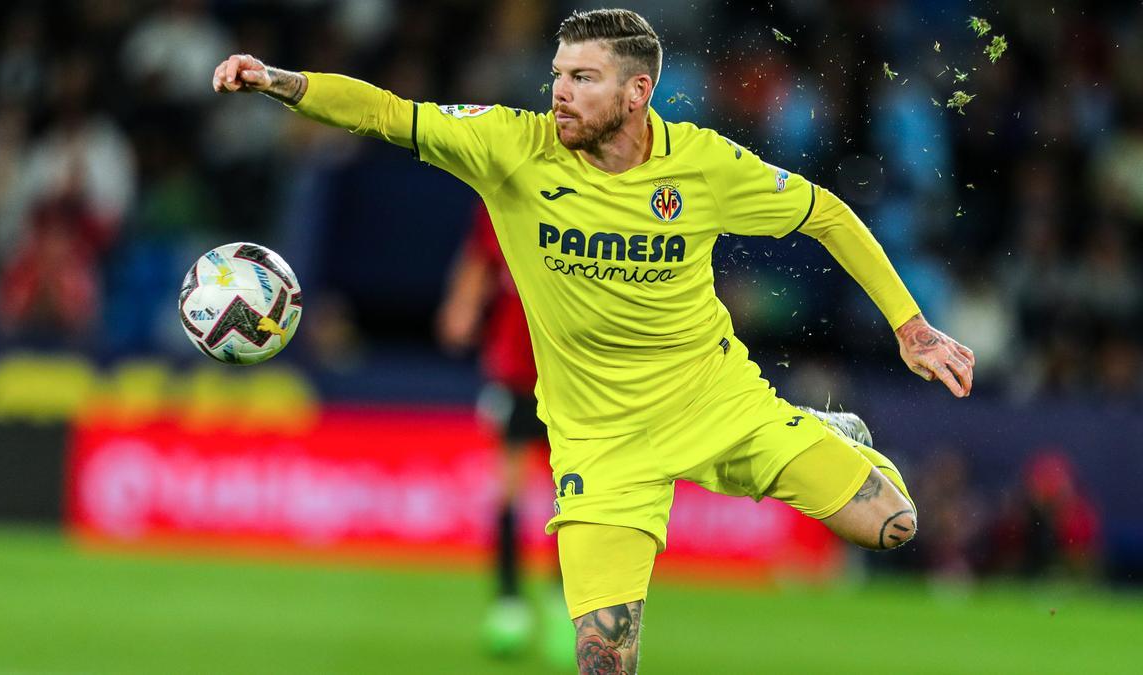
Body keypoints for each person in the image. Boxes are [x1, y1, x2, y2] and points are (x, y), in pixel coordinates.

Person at [212, 9, 975, 673]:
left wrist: (910, 327)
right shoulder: (511, 147)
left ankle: (814, 427)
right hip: (602, 450)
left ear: (636, 93)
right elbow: (384, 112)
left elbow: (828, 214)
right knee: (605, 665)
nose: (560, 92)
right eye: (558, 74)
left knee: (893, 524)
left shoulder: (702, 164)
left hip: (721, 403)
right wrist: (278, 79)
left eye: (582, 77)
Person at [437, 199, 571, 662]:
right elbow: (481, 257)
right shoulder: (506, 194)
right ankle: (509, 605)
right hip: (515, 368)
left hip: (575, 374)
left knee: (572, 494)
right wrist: (462, 304)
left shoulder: (590, 194)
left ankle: (563, 605)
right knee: (511, 488)